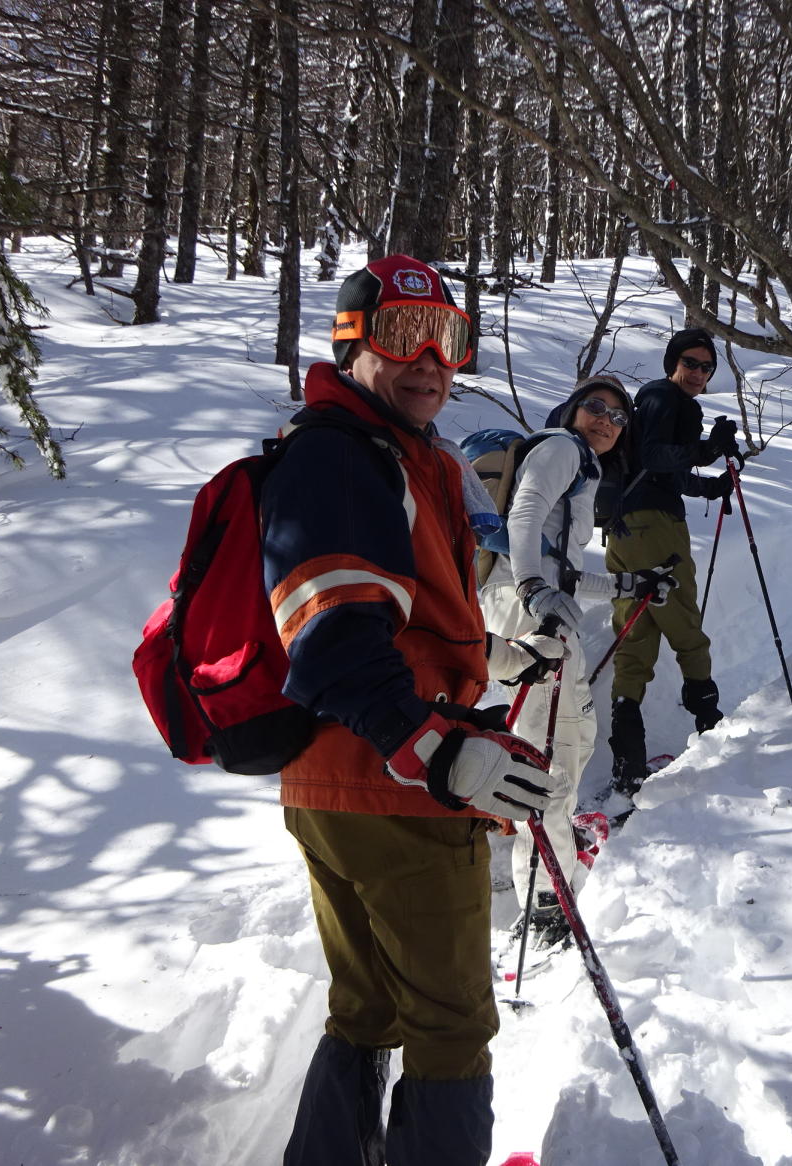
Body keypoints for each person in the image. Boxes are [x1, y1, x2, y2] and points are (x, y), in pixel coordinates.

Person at [260, 254, 568, 1166]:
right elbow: (329, 630)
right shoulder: (339, 455)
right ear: (351, 343)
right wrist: (437, 749)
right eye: (403, 336)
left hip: (337, 777)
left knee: (368, 1008)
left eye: (449, 339)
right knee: (450, 1026)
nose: (431, 359)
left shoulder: (389, 453)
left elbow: (399, 614)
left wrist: (494, 654)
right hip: (394, 782)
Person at [477, 376, 676, 951]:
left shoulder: (580, 464)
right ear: (571, 409)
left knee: (569, 731)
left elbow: (559, 564)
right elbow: (525, 516)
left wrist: (627, 583)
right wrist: (536, 589)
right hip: (529, 608)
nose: (606, 419)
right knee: (553, 751)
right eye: (595, 406)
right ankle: (545, 902)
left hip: (530, 603)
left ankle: (539, 848)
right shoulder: (563, 448)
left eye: (618, 416)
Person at [604, 326, 741, 796]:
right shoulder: (665, 397)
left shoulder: (654, 402)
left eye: (706, 367)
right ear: (672, 364)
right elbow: (655, 456)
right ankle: (710, 725)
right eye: (691, 363)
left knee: (636, 627)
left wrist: (709, 484)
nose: (698, 373)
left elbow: (663, 473)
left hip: (624, 528)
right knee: (682, 617)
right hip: (655, 530)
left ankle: (628, 757)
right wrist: (708, 448)